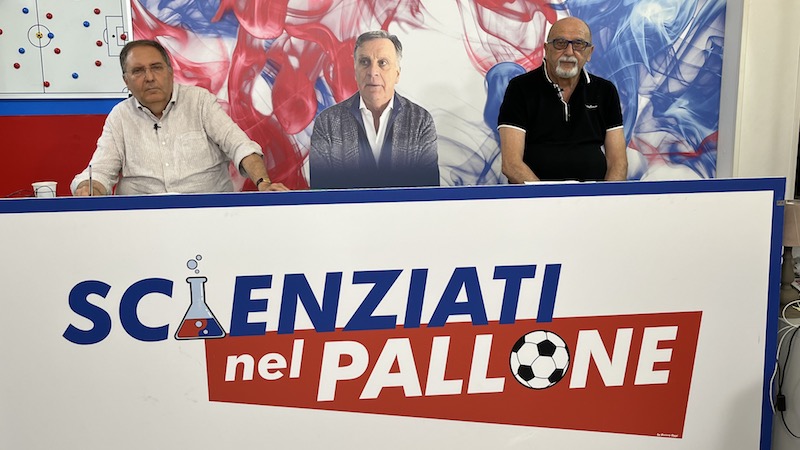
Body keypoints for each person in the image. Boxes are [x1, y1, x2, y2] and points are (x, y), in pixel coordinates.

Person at [71, 39, 288, 196]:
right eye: (138, 71)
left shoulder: (200, 101)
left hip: (208, 214)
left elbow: (240, 146)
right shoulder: (120, 116)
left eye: (156, 68)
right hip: (142, 220)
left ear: (170, 72)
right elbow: (100, 171)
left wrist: (263, 183)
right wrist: (90, 188)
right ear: (126, 81)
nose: (149, 77)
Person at [498, 17, 628, 183]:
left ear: (589, 53)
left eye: (579, 44)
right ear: (546, 49)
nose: (569, 52)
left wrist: (607, 196)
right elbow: (511, 165)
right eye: (560, 43)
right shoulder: (520, 88)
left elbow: (618, 163)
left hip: (593, 196)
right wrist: (549, 196)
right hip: (536, 195)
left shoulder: (605, 91)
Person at [309, 30, 439, 189]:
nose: (372, 72)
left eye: (382, 63)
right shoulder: (327, 123)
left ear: (397, 74)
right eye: (365, 62)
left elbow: (428, 194)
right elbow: (321, 194)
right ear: (355, 71)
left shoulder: (420, 122)